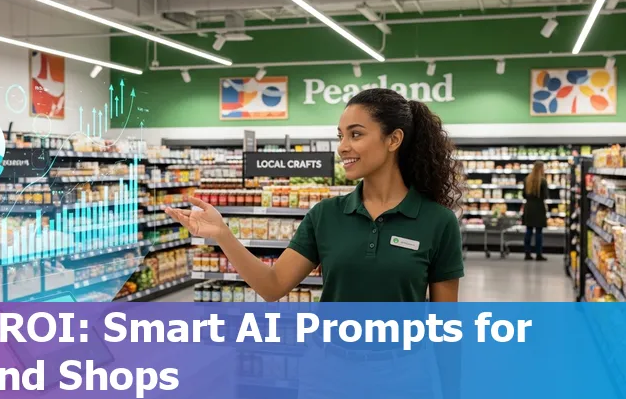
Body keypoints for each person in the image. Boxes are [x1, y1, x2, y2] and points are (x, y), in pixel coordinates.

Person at [166, 88, 464, 302]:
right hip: (327, 372)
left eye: (356, 134)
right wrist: (222, 234)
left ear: (393, 139)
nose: (343, 146)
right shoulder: (326, 215)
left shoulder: (438, 222)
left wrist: (451, 389)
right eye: (340, 135)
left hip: (404, 374)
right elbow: (272, 287)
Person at [523, 161, 549, 261]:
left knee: (528, 231)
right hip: (539, 207)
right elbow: (545, 196)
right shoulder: (543, 181)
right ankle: (538, 254)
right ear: (541, 169)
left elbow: (524, 195)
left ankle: (527, 253)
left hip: (529, 207)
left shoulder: (527, 179)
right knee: (539, 232)